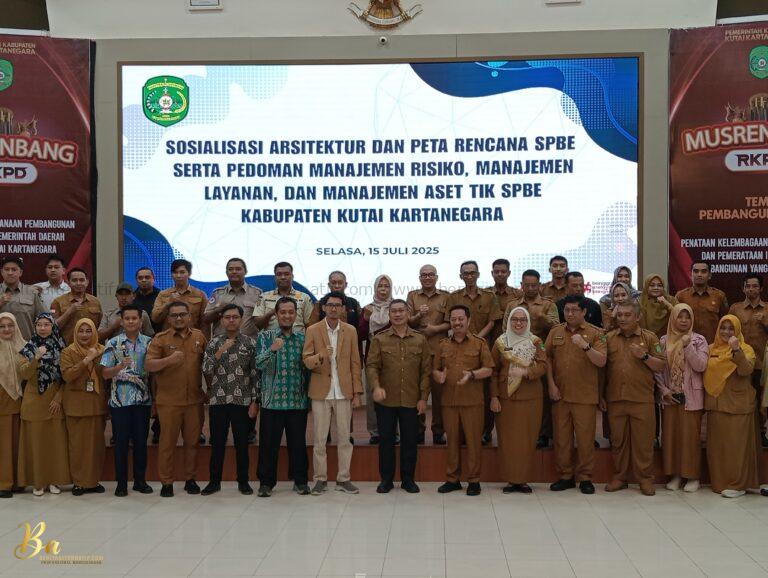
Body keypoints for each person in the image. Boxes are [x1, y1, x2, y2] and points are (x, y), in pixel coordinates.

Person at [366, 299, 431, 493]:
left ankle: (408, 480)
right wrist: (376, 387)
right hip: (386, 400)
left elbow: (425, 371)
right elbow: (372, 366)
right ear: (389, 315)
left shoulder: (420, 339)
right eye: (393, 311)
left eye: (401, 310)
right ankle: (386, 480)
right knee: (386, 441)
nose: (397, 314)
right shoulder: (379, 339)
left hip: (411, 399)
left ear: (408, 314)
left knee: (410, 441)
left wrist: (423, 398)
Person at [545, 296, 607, 494]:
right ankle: (565, 476)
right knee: (562, 439)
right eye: (567, 310)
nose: (570, 314)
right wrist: (551, 385)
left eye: (574, 310)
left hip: (585, 396)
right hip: (560, 395)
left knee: (585, 439)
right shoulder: (555, 332)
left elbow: (602, 361)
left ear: (584, 312)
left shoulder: (596, 333)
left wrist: (585, 346)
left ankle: (585, 477)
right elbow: (546, 358)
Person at [303, 291, 363, 495]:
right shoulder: (313, 330)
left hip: (344, 392)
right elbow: (306, 361)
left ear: (343, 309)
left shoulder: (351, 330)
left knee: (345, 439)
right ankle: (320, 480)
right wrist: (321, 356)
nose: (334, 308)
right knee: (320, 440)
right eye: (330, 305)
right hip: (321, 392)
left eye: (338, 305)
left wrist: (357, 392)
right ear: (323, 308)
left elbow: (356, 363)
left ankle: (343, 479)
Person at [145, 301, 207, 497]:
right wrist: (168, 360)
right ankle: (167, 483)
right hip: (169, 401)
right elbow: (148, 365)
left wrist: (210, 390)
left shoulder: (199, 336)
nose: (179, 318)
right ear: (168, 318)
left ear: (189, 316)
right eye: (174, 315)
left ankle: (190, 479)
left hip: (194, 401)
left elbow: (207, 365)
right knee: (167, 444)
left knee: (192, 443)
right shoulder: (160, 339)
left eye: (182, 314)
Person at [604, 302, 665, 496]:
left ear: (637, 317)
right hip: (615, 398)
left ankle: (645, 479)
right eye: (620, 315)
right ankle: (620, 477)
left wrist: (644, 356)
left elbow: (661, 365)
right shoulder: (609, 338)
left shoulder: (649, 337)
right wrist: (600, 395)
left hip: (642, 399)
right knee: (618, 441)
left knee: (643, 443)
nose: (622, 318)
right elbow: (602, 370)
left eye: (627, 315)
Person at [434, 305, 494, 496]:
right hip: (449, 402)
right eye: (453, 319)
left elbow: (489, 369)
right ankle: (452, 480)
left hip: (472, 402)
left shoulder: (479, 343)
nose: (457, 323)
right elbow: (435, 369)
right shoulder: (443, 344)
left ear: (468, 320)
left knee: (474, 442)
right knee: (452, 442)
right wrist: (438, 376)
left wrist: (472, 374)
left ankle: (474, 481)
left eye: (461, 319)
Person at [256, 297, 311, 497]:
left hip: (297, 401)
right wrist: (272, 350)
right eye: (283, 312)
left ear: (296, 315)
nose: (287, 316)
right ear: (276, 314)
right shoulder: (265, 337)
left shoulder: (303, 339)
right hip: (271, 402)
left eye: (291, 312)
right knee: (268, 446)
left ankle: (301, 481)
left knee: (298, 445)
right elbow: (258, 365)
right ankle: (266, 483)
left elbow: (307, 369)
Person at [201, 303, 258, 496]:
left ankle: (243, 482)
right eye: (227, 317)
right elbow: (206, 369)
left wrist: (255, 401)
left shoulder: (250, 343)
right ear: (222, 320)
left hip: (242, 401)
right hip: (219, 401)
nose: (231, 320)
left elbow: (255, 374)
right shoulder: (214, 342)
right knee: (217, 443)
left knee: (242, 444)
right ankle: (214, 482)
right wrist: (221, 351)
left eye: (235, 317)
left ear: (241, 319)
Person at [444, 261, 502, 446]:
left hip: (482, 347)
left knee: (484, 391)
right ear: (460, 276)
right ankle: (462, 432)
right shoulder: (453, 297)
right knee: (461, 388)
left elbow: (492, 322)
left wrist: (475, 339)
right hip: (458, 348)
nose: (469, 276)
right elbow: (450, 322)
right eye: (465, 273)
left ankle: (486, 431)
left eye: (472, 272)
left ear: (478, 274)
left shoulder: (489, 296)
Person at [490, 307, 547, 494]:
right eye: (515, 319)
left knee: (527, 439)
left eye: (523, 319)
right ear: (509, 321)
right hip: (506, 399)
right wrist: (494, 396)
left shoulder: (536, 342)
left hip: (531, 398)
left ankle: (523, 480)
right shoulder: (500, 342)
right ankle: (510, 479)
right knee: (508, 440)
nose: (519, 323)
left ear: (528, 322)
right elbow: (493, 371)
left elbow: (544, 366)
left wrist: (526, 372)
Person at [100, 304, 154, 497]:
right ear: (121, 322)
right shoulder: (112, 343)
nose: (131, 321)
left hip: (143, 401)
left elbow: (154, 373)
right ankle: (121, 484)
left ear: (141, 321)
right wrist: (119, 367)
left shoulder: (149, 342)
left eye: (134, 318)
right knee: (121, 444)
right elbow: (105, 374)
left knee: (141, 443)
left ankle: (140, 481)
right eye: (127, 318)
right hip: (119, 403)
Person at [655, 304, 708, 493]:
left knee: (690, 439)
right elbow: (658, 369)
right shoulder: (663, 340)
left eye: (687, 317)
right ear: (673, 319)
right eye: (680, 317)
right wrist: (664, 390)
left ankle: (692, 476)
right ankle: (676, 475)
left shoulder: (699, 340)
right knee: (671, 438)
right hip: (670, 397)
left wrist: (687, 346)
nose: (684, 321)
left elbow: (701, 366)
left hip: (691, 398)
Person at [704, 315, 758, 498]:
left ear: (737, 331)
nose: (726, 332)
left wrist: (736, 350)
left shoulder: (746, 349)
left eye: (730, 328)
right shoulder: (711, 348)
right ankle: (720, 483)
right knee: (717, 448)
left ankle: (738, 485)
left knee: (737, 448)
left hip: (738, 406)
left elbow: (746, 370)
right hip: (716, 404)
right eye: (723, 328)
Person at [17, 313, 70, 496]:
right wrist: (36, 358)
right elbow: (24, 374)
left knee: (55, 441)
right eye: (39, 324)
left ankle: (55, 479)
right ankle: (38, 482)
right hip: (33, 400)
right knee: (36, 442)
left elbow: (66, 377)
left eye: (46, 324)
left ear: (52, 326)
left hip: (54, 400)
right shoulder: (28, 347)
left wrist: (59, 397)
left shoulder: (61, 347)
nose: (42, 328)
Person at [60, 318, 107, 496]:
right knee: (78, 446)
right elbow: (67, 376)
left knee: (96, 446)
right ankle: (79, 482)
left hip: (96, 404)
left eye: (88, 331)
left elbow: (105, 375)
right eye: (81, 331)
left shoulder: (102, 350)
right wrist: (87, 360)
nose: (85, 334)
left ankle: (93, 481)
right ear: (75, 332)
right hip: (76, 406)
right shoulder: (68, 351)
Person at [407, 264, 450, 444]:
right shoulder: (412, 296)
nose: (427, 278)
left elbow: (450, 322)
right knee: (418, 393)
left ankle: (438, 431)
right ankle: (418, 430)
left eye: (431, 274)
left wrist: (435, 329)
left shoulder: (446, 296)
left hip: (439, 353)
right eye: (424, 275)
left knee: (440, 395)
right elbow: (408, 321)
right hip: (417, 352)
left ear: (436, 277)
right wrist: (418, 315)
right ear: (419, 278)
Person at [729, 274, 768, 446]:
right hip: (740, 363)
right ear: (743, 288)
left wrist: (765, 322)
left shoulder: (767, 309)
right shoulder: (735, 308)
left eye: (755, 286)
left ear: (761, 288)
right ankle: (743, 435)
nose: (751, 289)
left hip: (762, 364)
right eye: (748, 286)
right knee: (742, 399)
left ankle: (762, 434)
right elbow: (726, 332)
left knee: (762, 401)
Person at [360, 274, 394, 444]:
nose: (383, 289)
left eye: (386, 286)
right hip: (373, 358)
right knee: (373, 394)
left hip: (394, 358)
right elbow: (360, 334)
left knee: (393, 395)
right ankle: (375, 432)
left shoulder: (397, 308)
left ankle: (393, 432)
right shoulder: (367, 308)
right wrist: (366, 319)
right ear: (375, 288)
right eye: (380, 286)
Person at [203, 257, 261, 338]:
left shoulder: (257, 293)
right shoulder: (217, 294)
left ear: (245, 271)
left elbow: (261, 322)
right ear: (226, 272)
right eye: (230, 269)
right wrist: (218, 310)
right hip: (221, 343)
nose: (234, 272)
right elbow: (206, 319)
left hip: (248, 343)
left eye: (238, 269)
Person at [0, 313, 24, 498]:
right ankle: (4, 483)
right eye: (2, 326)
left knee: (17, 443)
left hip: (20, 401)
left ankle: (17, 481)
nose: (7, 329)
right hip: (2, 400)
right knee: (3, 444)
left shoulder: (24, 347)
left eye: (10, 325)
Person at [675, 261, 729, 344]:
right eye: (696, 271)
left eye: (703, 271)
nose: (699, 274)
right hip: (687, 345)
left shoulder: (719, 296)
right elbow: (674, 322)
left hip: (713, 345)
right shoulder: (681, 296)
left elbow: (726, 321)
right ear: (691, 275)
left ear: (709, 275)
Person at [253, 262, 313, 332]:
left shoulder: (304, 297)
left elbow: (310, 325)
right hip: (272, 338)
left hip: (298, 338)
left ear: (292, 276)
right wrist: (271, 313)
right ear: (275, 277)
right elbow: (257, 324)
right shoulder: (264, 297)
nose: (283, 277)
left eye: (286, 274)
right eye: (279, 274)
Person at [502, 270, 559, 340]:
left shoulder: (549, 305)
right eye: (527, 285)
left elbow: (556, 329)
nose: (530, 288)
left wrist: (543, 318)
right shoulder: (512, 305)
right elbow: (506, 329)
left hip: (541, 344)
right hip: (516, 344)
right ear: (522, 285)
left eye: (533, 285)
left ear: (539, 285)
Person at [151, 259, 206, 331]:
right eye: (175, 272)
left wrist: (203, 337)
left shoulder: (200, 295)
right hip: (169, 336)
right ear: (171, 275)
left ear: (189, 274)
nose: (178, 275)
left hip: (192, 336)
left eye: (182, 272)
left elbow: (205, 321)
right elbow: (155, 318)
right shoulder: (163, 294)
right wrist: (168, 303)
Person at [51, 267, 103, 344]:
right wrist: (68, 312)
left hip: (91, 347)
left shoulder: (95, 302)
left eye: (82, 280)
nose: (78, 283)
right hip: (67, 348)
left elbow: (100, 327)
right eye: (74, 280)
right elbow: (53, 328)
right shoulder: (58, 302)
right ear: (68, 282)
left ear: (87, 282)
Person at [1, 256, 45, 340]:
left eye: (14, 269)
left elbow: (44, 319)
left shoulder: (32, 293)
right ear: (2, 272)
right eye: (6, 269)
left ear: (20, 272)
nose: (10, 273)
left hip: (26, 344)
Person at [487, 259, 524, 342]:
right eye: (496, 272)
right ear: (492, 273)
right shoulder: (486, 294)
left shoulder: (518, 294)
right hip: (488, 341)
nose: (500, 274)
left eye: (503, 272)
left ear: (509, 273)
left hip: (513, 340)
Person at [639, 274, 677, 338]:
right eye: (652, 285)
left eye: (659, 285)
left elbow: (679, 316)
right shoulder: (640, 302)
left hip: (669, 339)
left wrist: (667, 304)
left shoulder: (671, 300)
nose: (656, 288)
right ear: (646, 287)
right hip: (646, 339)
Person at [133, 267, 161, 332]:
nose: (144, 280)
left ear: (153, 279)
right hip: (136, 335)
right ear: (136, 280)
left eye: (147, 277)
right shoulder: (132, 297)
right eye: (140, 278)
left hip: (158, 335)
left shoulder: (161, 296)